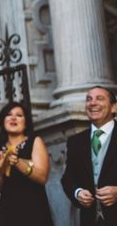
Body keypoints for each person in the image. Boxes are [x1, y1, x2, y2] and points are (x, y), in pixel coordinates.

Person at [0, 102, 53, 226]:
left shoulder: (34, 141)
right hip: (8, 210)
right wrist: (1, 171)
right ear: (2, 120)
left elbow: (42, 177)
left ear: (26, 121)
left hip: (34, 208)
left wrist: (17, 162)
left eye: (19, 115)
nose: (13, 118)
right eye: (9, 114)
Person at [61, 86, 117, 226]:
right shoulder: (75, 141)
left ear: (114, 107)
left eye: (99, 98)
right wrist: (77, 192)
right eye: (88, 99)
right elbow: (68, 178)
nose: (92, 103)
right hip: (90, 220)